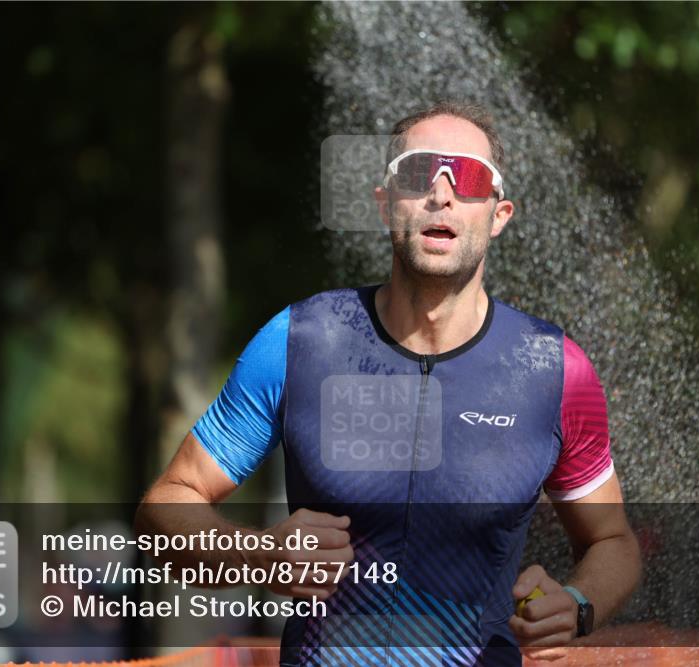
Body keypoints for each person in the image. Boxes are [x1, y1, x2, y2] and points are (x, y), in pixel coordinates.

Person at [136, 100, 641, 666]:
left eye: (470, 177)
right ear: (384, 205)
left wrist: (578, 603)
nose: (442, 193)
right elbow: (164, 507)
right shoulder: (301, 340)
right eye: (418, 173)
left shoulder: (554, 370)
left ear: (499, 215)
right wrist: (258, 554)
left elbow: (613, 543)